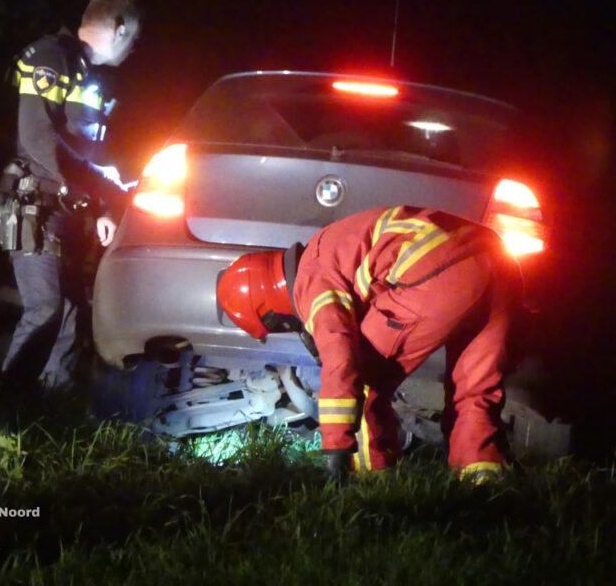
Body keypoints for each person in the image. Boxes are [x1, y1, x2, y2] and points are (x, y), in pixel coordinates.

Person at [217, 205, 522, 480]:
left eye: (277, 325)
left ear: (268, 305)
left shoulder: (310, 280)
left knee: (362, 383)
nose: (289, 328)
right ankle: (484, 483)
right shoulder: (326, 248)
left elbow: (342, 364)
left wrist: (336, 447)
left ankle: (373, 480)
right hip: (497, 264)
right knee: (474, 392)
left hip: (439, 269)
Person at [0, 0, 140, 392]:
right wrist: (104, 186)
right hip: (33, 204)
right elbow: (39, 140)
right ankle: (7, 410)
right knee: (44, 308)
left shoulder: (88, 74)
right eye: (135, 37)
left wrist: (103, 206)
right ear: (120, 27)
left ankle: (51, 408)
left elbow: (86, 151)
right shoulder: (51, 57)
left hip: (66, 209)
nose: (136, 47)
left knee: (72, 308)